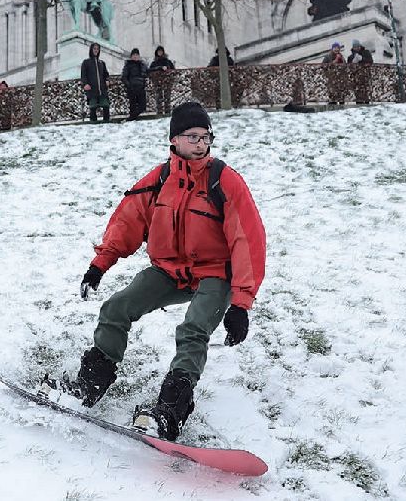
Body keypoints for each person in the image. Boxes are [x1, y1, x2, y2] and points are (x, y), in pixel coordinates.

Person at [52, 101, 266, 443]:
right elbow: (128, 221)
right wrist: (99, 265)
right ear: (174, 140)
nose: (200, 143)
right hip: (170, 270)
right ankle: (90, 383)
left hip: (215, 272)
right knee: (116, 308)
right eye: (192, 136)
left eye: (205, 136)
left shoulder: (224, 181)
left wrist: (240, 304)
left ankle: (170, 411)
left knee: (194, 328)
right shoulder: (160, 179)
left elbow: (248, 241)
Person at [82, 42, 111, 123]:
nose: (96, 50)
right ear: (91, 49)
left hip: (102, 89)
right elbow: (83, 75)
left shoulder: (102, 63)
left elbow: (106, 74)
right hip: (92, 89)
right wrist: (85, 84)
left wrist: (107, 80)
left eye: (97, 49)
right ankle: (93, 124)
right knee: (93, 107)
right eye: (94, 49)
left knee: (106, 106)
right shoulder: (86, 62)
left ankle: (107, 123)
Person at [122, 49, 149, 121]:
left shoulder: (143, 65)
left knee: (142, 106)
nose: (135, 56)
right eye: (134, 55)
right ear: (131, 56)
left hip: (141, 87)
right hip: (132, 88)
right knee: (132, 106)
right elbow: (124, 77)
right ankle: (132, 121)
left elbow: (149, 71)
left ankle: (130, 118)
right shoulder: (128, 65)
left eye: (137, 55)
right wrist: (129, 85)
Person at [149, 46, 176, 115]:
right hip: (157, 83)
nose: (160, 53)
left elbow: (173, 71)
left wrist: (169, 75)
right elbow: (150, 70)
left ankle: (167, 112)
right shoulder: (154, 62)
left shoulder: (167, 61)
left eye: (161, 51)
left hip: (167, 82)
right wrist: (160, 68)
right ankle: (159, 112)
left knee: (167, 97)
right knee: (159, 98)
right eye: (158, 51)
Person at [348, 41, 374, 105]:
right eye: (355, 47)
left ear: (360, 46)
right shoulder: (350, 57)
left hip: (365, 75)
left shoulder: (366, 52)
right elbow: (349, 67)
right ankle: (359, 105)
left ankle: (367, 105)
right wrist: (353, 63)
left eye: (357, 46)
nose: (356, 48)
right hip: (356, 77)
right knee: (358, 93)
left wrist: (362, 59)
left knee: (366, 92)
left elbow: (370, 61)